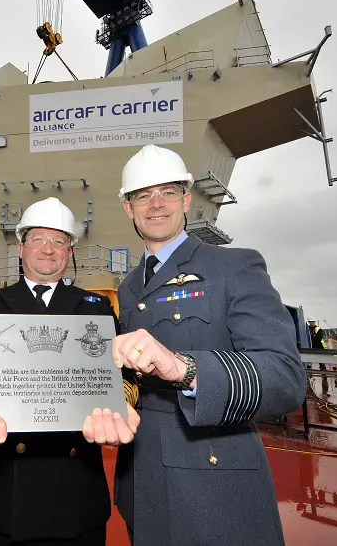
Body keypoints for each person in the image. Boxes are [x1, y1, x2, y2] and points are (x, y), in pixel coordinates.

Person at [111, 144, 307, 546]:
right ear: (129, 208)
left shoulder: (234, 267)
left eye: (167, 192)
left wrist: (186, 369)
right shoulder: (129, 287)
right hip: (141, 480)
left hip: (211, 485)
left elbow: (285, 378)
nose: (156, 203)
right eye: (143, 195)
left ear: (186, 200)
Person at [0, 197, 140, 546]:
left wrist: (117, 405)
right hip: (3, 491)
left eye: (59, 241)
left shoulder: (96, 309)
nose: (48, 250)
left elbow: (122, 376)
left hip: (77, 492)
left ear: (69, 252)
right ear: (21, 249)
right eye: (38, 240)